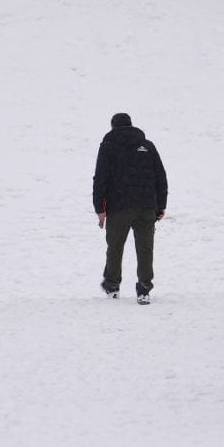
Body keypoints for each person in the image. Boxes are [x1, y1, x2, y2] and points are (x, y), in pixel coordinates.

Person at [92, 112, 168, 305]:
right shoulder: (148, 146)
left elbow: (100, 178)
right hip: (146, 206)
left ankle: (112, 286)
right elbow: (160, 177)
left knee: (115, 247)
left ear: (113, 127)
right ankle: (144, 289)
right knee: (145, 248)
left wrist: (99, 208)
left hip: (119, 207)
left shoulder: (108, 146)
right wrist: (160, 206)